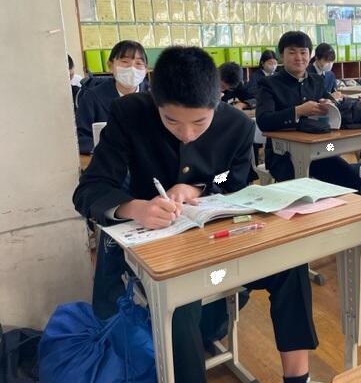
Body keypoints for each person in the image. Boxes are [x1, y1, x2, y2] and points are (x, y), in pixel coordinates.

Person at [73, 46, 318, 383]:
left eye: (200, 122)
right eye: (171, 120)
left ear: (217, 99)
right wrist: (136, 208)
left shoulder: (236, 125)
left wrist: (199, 188)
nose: (186, 133)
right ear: (156, 102)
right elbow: (91, 189)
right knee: (180, 300)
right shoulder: (130, 114)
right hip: (161, 246)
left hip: (220, 238)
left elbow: (231, 179)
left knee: (290, 264)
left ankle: (298, 377)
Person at [256, 31, 361, 190]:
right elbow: (264, 121)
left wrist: (329, 104)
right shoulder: (269, 84)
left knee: (351, 179)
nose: (299, 57)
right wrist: (298, 111)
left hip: (322, 149)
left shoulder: (316, 80)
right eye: (292, 52)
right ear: (282, 56)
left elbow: (329, 103)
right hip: (283, 155)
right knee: (307, 190)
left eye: (303, 52)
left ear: (309, 55)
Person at [75, 40, 149, 154]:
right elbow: (80, 138)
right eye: (125, 62)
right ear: (110, 66)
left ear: (146, 70)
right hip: (108, 158)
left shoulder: (154, 96)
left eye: (138, 63)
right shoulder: (92, 97)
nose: (132, 68)